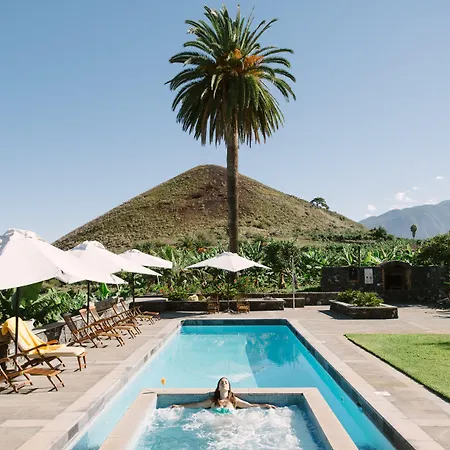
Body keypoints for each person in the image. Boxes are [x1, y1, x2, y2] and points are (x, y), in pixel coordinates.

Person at [171, 377, 276, 412]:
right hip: (216, 427)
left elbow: (249, 406)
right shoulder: (212, 401)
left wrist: (264, 405)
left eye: (226, 382)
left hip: (230, 427)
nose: (224, 383)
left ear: (229, 388)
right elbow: (197, 405)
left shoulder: (234, 400)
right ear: (218, 388)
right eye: (221, 382)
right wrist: (180, 406)